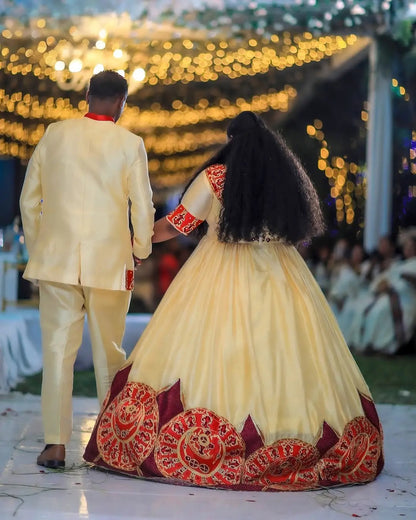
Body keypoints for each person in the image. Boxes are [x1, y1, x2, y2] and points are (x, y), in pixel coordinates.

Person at [84, 111, 383, 491]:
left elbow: (179, 223)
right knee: (289, 352)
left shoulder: (217, 178)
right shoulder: (284, 179)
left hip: (219, 269)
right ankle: (292, 439)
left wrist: (135, 242)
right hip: (282, 272)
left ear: (231, 142)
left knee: (210, 346)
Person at [19, 70, 155, 469]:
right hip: (110, 263)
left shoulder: (55, 134)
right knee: (109, 352)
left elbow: (30, 200)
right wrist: (141, 247)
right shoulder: (130, 144)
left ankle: (56, 445)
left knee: (58, 351)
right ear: (121, 103)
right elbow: (142, 205)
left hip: (57, 261)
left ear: (87, 95)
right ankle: (114, 446)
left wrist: (40, 247)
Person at [349, 235, 416, 355]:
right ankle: (365, 343)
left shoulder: (407, 264)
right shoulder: (400, 264)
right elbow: (384, 279)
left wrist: (401, 278)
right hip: (390, 296)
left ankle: (384, 345)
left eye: (411, 247)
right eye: (406, 246)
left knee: (380, 311)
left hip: (406, 299)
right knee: (368, 310)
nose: (408, 249)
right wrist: (382, 286)